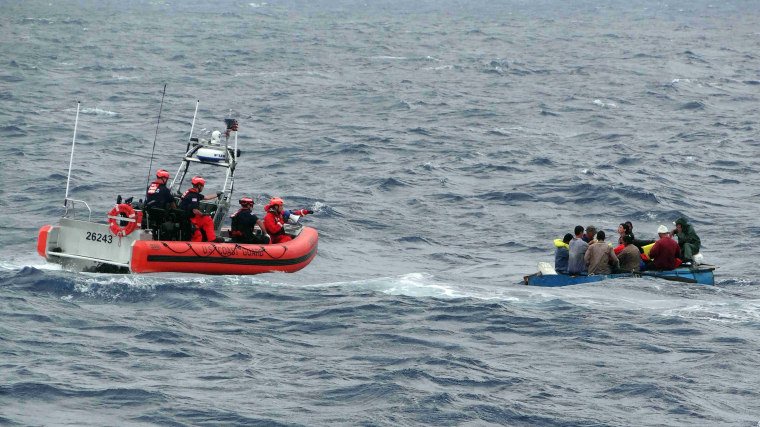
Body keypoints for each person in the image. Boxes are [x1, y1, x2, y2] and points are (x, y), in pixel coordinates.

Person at [178, 176, 224, 242]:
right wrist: (203, 214)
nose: (203, 187)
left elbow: (206, 197)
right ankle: (197, 247)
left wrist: (217, 195)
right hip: (189, 218)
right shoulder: (193, 196)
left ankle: (212, 238)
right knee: (198, 235)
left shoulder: (190, 192)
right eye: (202, 186)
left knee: (207, 220)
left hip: (187, 217)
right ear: (199, 186)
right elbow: (195, 210)